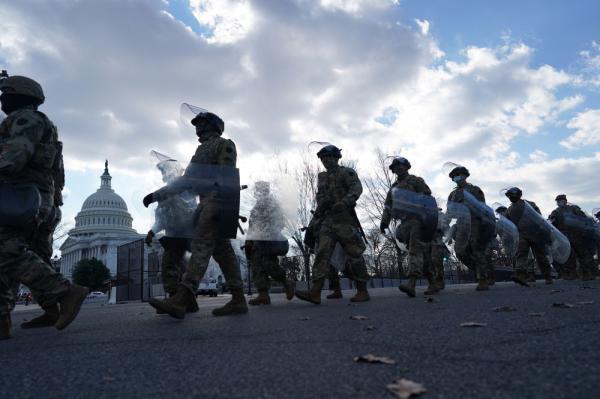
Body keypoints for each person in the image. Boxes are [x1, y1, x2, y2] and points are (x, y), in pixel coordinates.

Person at [0, 74, 88, 340]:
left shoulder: (24, 120)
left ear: (19, 95)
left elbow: (13, 158)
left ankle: (64, 291)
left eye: (5, 93)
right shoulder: (44, 124)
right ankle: (12, 318)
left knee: (7, 251)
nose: (2, 99)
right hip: (39, 196)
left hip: (20, 195)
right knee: (21, 256)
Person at [143, 109, 247, 319]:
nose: (198, 130)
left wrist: (221, 206)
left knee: (201, 246)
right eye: (197, 126)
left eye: (202, 125)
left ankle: (183, 297)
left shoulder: (223, 144)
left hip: (217, 202)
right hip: (206, 203)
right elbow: (185, 180)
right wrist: (158, 194)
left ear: (213, 127)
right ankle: (238, 299)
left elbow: (226, 178)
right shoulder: (199, 152)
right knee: (223, 252)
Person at [295, 145, 370, 304]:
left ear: (336, 158)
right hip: (326, 220)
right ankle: (315, 292)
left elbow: (356, 188)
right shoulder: (322, 177)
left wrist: (345, 202)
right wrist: (316, 218)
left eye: (328, 157)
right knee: (322, 253)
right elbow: (320, 199)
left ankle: (362, 290)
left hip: (344, 218)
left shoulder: (346, 172)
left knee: (354, 253)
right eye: (323, 158)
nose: (325, 161)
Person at [145, 155, 198, 312]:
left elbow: (187, 211)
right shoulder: (168, 193)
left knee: (169, 267)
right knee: (180, 269)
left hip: (183, 236)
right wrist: (152, 231)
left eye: (164, 171)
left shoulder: (182, 188)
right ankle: (187, 302)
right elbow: (162, 219)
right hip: (174, 236)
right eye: (162, 172)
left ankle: (176, 301)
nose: (163, 175)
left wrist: (155, 197)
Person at [380, 157, 438, 297]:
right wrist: (384, 222)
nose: (398, 168)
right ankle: (433, 282)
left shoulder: (415, 180)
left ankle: (411, 283)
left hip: (418, 220)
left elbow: (427, 197)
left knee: (414, 250)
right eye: (395, 167)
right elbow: (388, 206)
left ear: (406, 166)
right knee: (420, 252)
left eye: (401, 165)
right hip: (404, 223)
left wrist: (427, 218)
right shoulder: (393, 188)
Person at [245, 181, 295, 305]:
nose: (257, 192)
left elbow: (280, 222)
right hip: (256, 242)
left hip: (267, 241)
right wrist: (249, 241)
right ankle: (263, 295)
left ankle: (286, 283)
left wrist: (268, 233)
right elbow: (252, 226)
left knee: (269, 265)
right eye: (257, 190)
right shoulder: (256, 206)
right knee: (257, 268)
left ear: (266, 190)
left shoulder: (272, 203)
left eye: (260, 190)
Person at [446, 166, 495, 291]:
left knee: (477, 249)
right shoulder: (453, 194)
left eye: (458, 175)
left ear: (465, 175)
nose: (456, 178)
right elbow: (449, 211)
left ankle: (482, 279)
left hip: (475, 222)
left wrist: (485, 224)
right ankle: (483, 270)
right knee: (460, 251)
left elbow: (482, 207)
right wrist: (444, 224)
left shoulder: (474, 190)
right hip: (461, 224)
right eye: (454, 177)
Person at [504, 187, 553, 285]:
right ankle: (521, 275)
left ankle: (548, 275)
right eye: (509, 195)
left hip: (535, 233)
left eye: (512, 194)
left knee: (540, 255)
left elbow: (538, 216)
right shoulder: (509, 210)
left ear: (518, 194)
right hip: (522, 234)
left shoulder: (529, 204)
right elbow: (507, 223)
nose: (510, 197)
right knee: (521, 254)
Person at [549, 194, 596, 280]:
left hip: (577, 234)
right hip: (565, 235)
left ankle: (587, 273)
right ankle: (571, 273)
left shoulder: (574, 208)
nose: (560, 202)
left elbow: (582, 218)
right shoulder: (555, 212)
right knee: (569, 255)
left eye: (561, 200)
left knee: (582, 253)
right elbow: (551, 222)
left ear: (565, 201)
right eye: (558, 201)